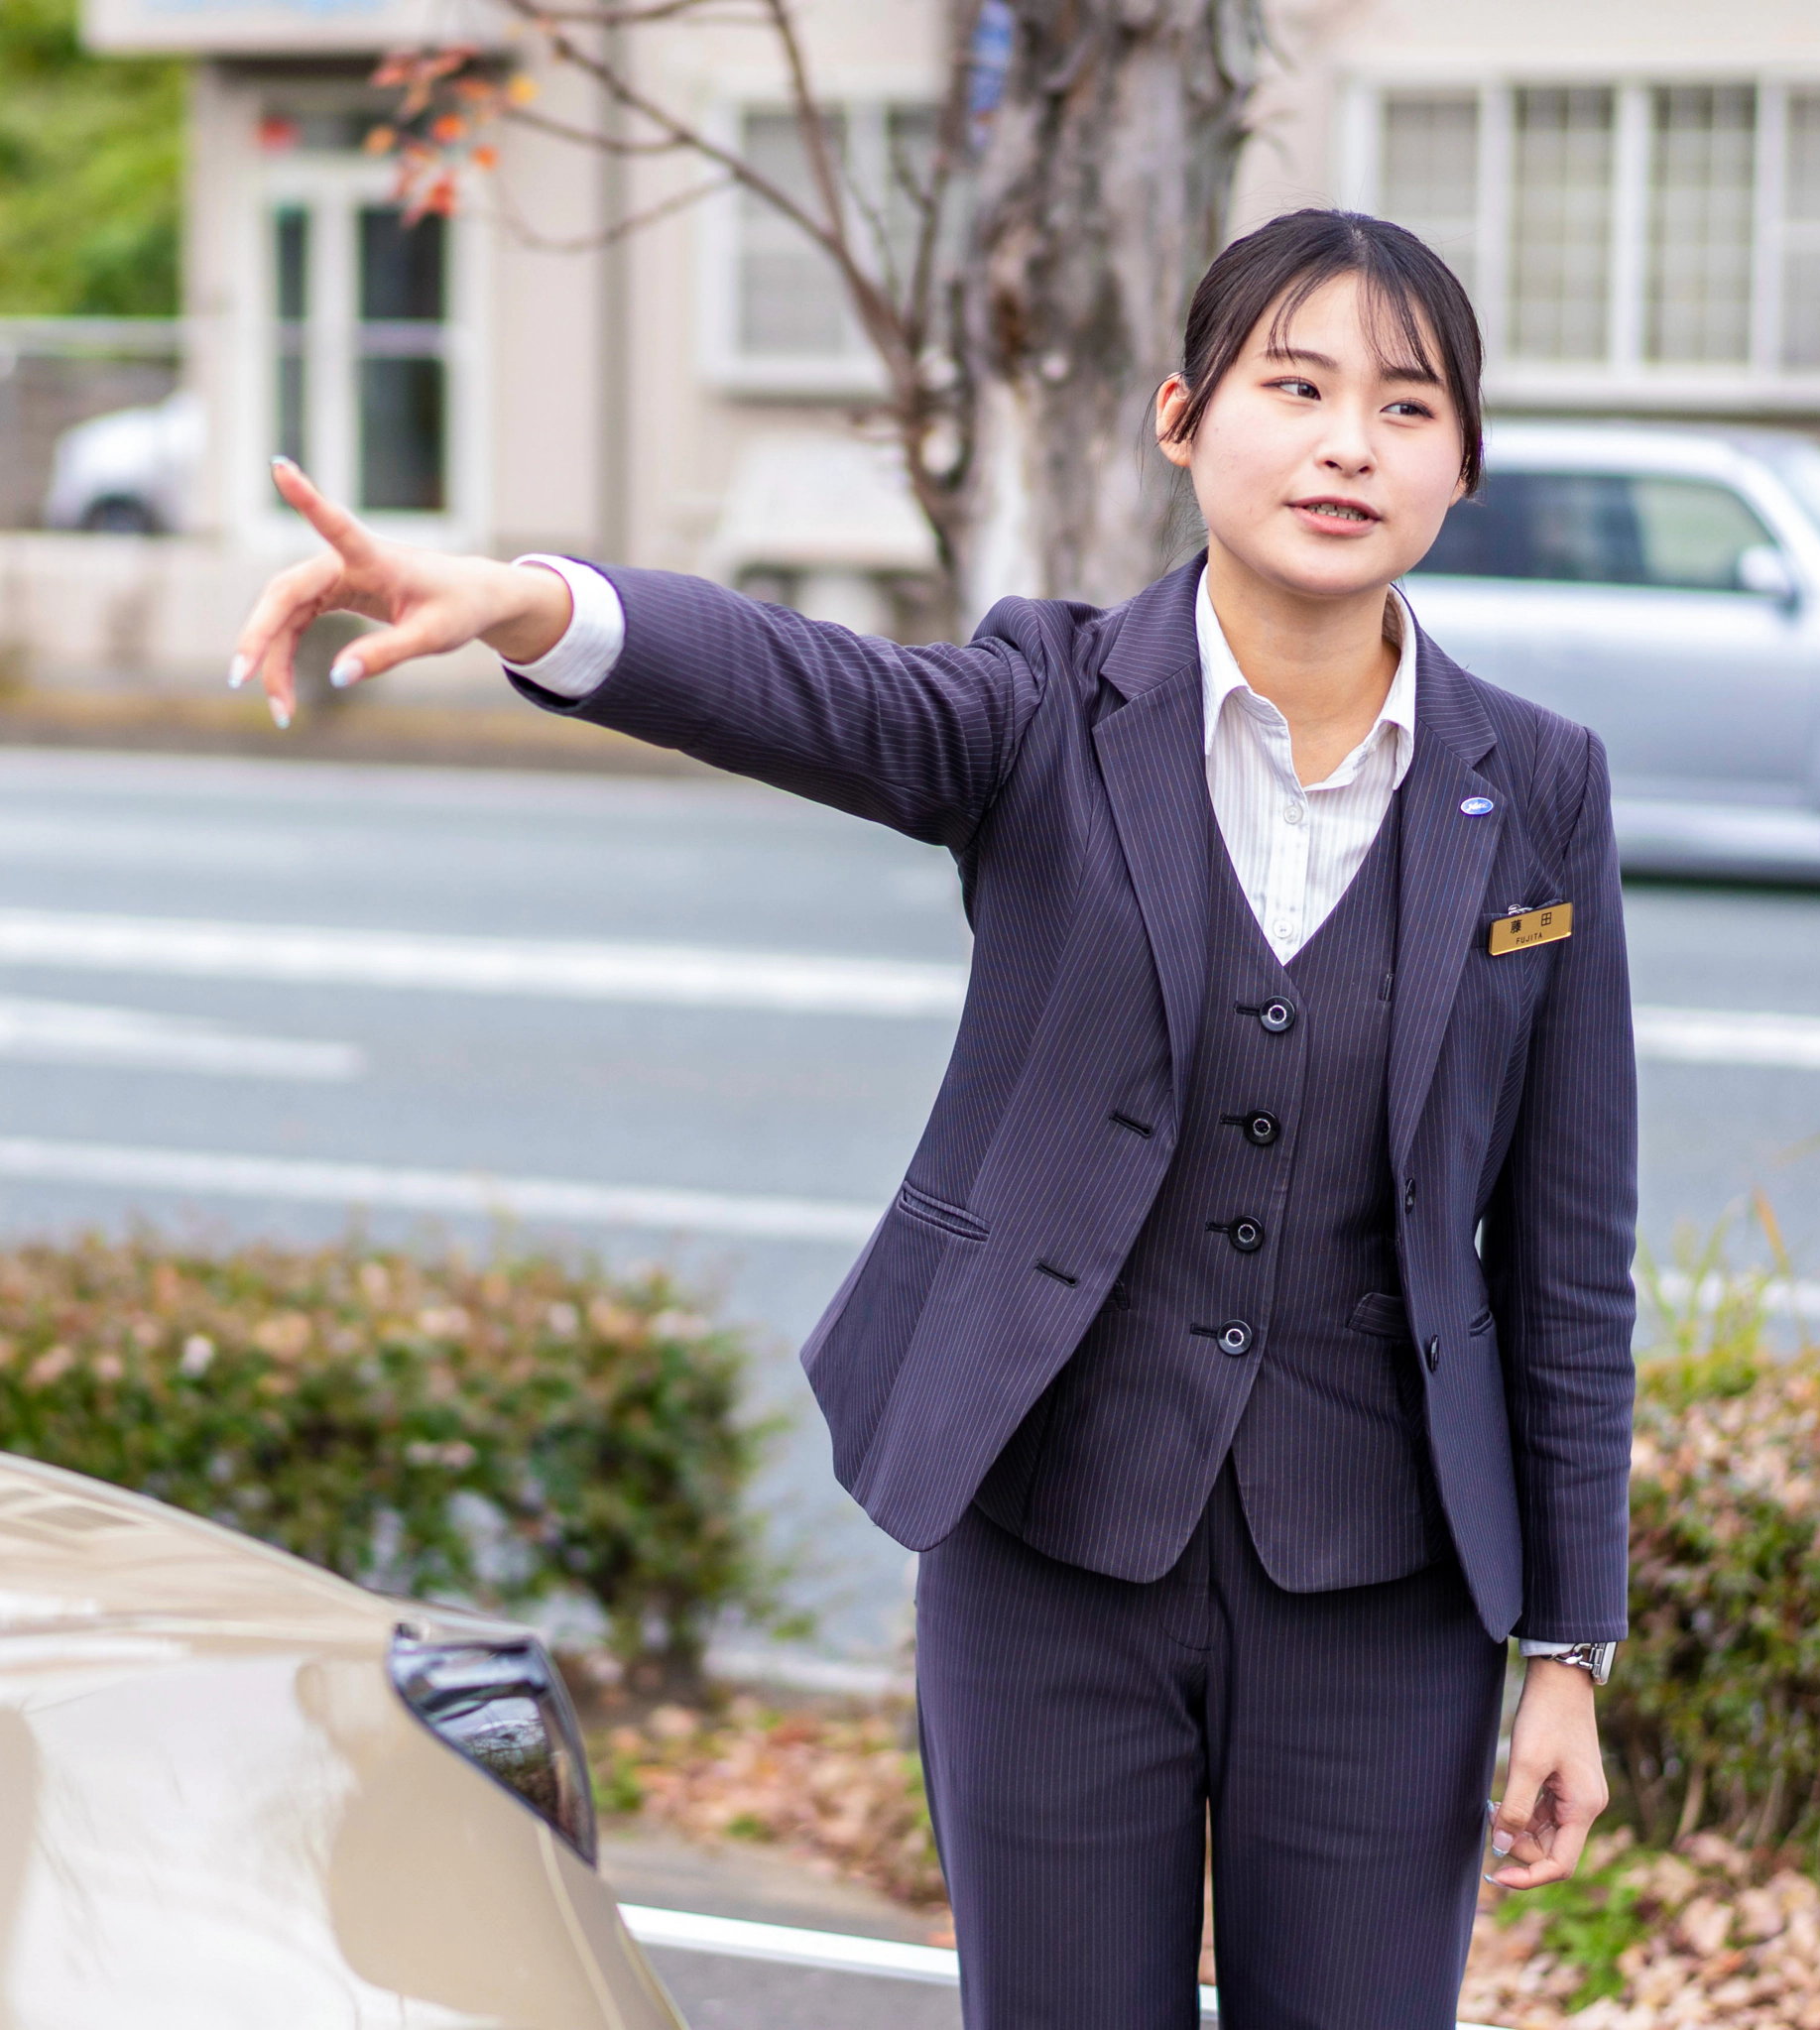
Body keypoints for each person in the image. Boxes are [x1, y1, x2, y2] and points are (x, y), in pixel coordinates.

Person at [232, 208, 1635, 2030]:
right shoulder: (1046, 701)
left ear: (1462, 464)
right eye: (1294, 386)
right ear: (1182, 418)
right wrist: (540, 607)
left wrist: (1567, 1654)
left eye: (1406, 402)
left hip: (1386, 1572)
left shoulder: (1535, 787)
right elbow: (810, 690)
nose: (1348, 442)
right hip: (1050, 1534)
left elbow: (1568, 1245)